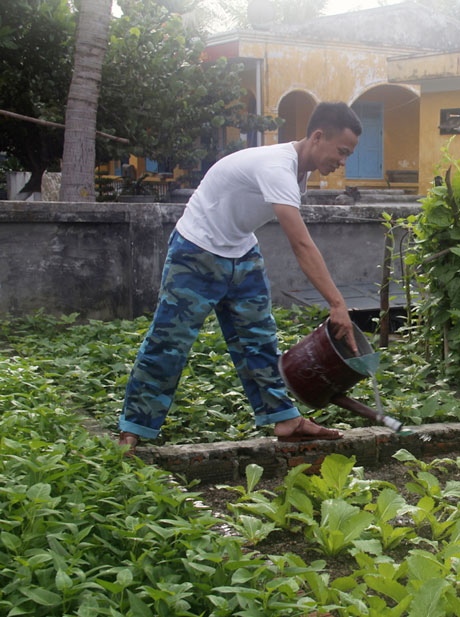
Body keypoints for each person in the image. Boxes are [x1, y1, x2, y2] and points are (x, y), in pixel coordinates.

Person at [118, 101, 363, 453]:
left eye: (348, 155)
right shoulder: (277, 167)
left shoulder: (299, 170)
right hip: (197, 249)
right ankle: (134, 427)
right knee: (170, 342)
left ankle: (285, 418)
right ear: (318, 136)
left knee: (259, 340)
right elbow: (301, 244)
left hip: (240, 250)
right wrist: (337, 303)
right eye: (341, 151)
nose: (342, 161)